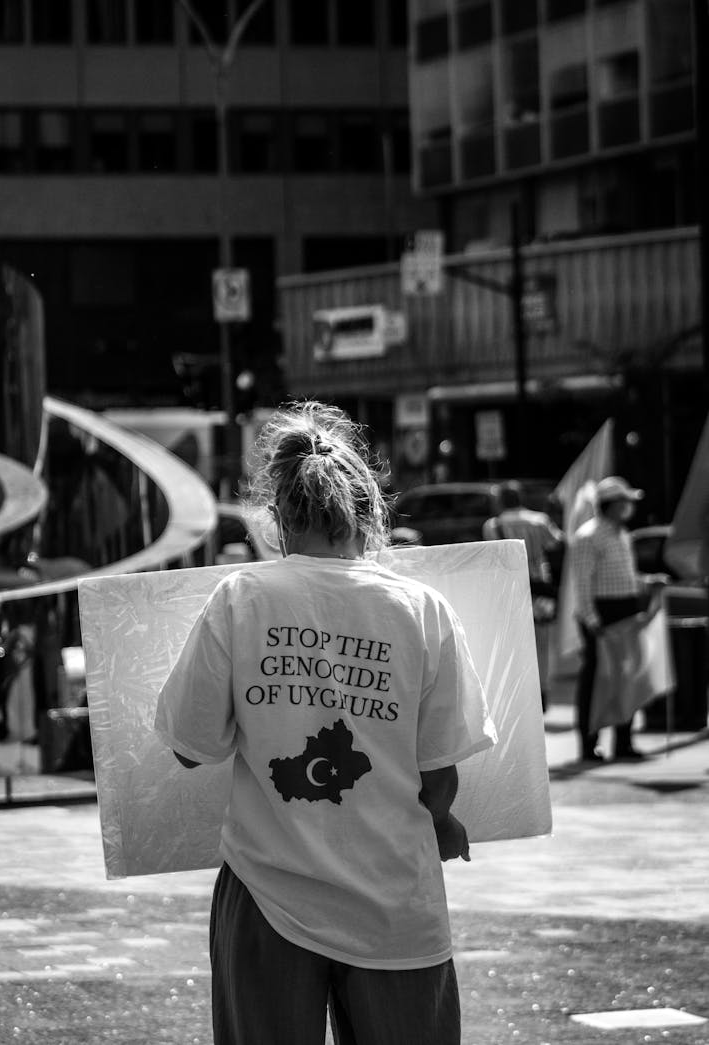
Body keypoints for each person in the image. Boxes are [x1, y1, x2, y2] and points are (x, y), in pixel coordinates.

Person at [154, 401, 497, 1045]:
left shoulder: (242, 598)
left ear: (278, 518)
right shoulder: (421, 609)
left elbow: (188, 750)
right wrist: (444, 821)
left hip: (266, 894)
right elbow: (439, 774)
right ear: (368, 512)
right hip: (395, 902)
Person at [570, 475, 660, 763]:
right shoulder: (588, 536)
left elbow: (625, 577)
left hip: (624, 610)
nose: (629, 507)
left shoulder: (621, 534)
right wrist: (593, 622)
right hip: (602, 615)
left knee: (626, 678)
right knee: (597, 681)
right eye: (625, 502)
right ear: (611, 505)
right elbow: (582, 586)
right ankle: (588, 744)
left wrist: (647, 582)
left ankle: (623, 741)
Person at [482, 481, 565, 711]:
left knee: (514, 642)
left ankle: (520, 691)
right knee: (542, 643)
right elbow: (559, 543)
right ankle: (543, 692)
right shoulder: (540, 521)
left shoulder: (493, 525)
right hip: (540, 587)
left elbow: (493, 557)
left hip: (511, 590)